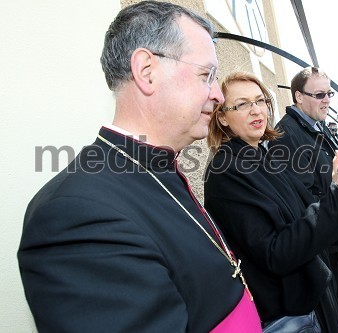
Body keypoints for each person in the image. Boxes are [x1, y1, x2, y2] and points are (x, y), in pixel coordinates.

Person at [17, 2, 261, 332]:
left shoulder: (160, 168)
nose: (218, 94)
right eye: (207, 76)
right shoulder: (74, 217)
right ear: (147, 71)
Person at [204, 72, 338, 332]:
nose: (256, 110)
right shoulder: (226, 172)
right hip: (293, 315)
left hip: (309, 303)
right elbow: (276, 252)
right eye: (242, 104)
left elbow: (302, 214)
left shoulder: (260, 154)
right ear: (222, 116)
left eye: (260, 100)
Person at [267, 66, 338, 327]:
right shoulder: (288, 138)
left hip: (334, 235)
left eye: (329, 94)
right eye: (318, 95)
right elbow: (304, 208)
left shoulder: (313, 125)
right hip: (325, 248)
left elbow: (335, 154)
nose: (326, 99)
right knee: (334, 317)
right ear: (298, 97)